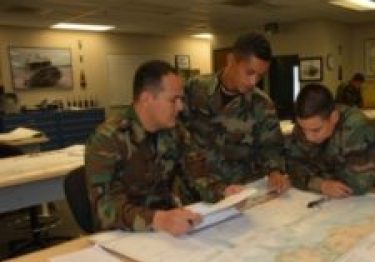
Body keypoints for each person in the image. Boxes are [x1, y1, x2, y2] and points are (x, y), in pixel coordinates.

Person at [85, 60, 205, 236]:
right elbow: (105, 209)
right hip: (125, 235)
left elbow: (196, 176)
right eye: (174, 100)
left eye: (182, 99)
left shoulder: (175, 132)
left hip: (169, 230)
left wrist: (224, 192)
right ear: (146, 99)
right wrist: (158, 219)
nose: (181, 107)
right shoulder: (108, 138)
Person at [182, 32, 290, 200]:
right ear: (231, 60)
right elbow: (178, 134)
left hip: (240, 192)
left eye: (260, 76)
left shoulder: (262, 104)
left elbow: (272, 147)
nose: (254, 82)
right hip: (197, 192)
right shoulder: (195, 89)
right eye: (249, 72)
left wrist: (275, 172)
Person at [286, 83, 375, 198]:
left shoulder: (356, 127)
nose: (308, 137)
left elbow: (357, 184)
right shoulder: (307, 124)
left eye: (316, 130)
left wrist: (312, 179)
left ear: (334, 117)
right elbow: (292, 169)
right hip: (335, 195)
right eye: (303, 129)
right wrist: (322, 185)